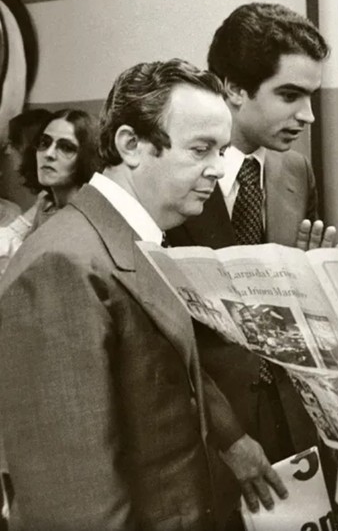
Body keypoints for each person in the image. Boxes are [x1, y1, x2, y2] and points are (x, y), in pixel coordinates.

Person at [0, 58, 232, 529]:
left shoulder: (129, 240)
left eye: (221, 151)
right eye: (201, 149)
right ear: (131, 145)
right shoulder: (60, 264)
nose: (218, 170)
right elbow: (73, 501)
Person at [165, 2, 332, 528]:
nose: (308, 116)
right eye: (290, 95)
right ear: (234, 88)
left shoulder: (295, 171)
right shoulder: (170, 173)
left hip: (291, 424)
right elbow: (162, 333)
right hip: (203, 432)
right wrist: (230, 438)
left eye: (312, 96)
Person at [0, 109, 100, 275]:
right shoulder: (47, 205)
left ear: (86, 156)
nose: (49, 154)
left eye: (66, 148)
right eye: (44, 143)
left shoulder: (86, 214)